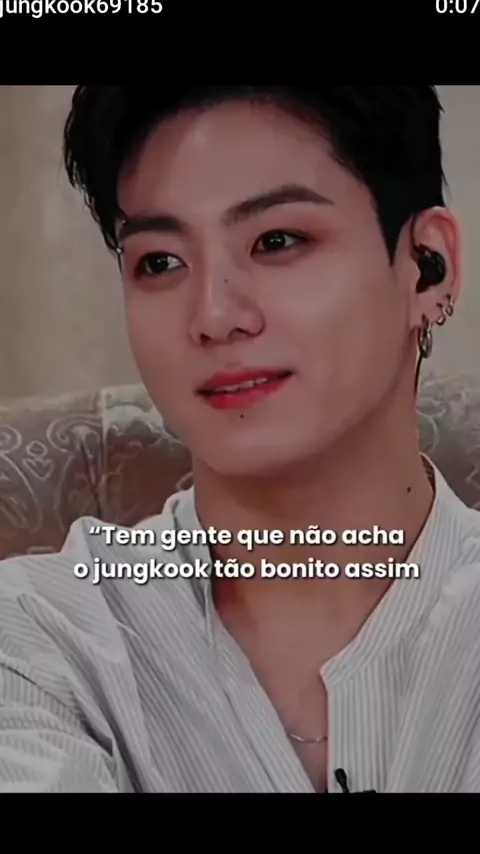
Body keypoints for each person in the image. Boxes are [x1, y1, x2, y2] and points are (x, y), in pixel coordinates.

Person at [0, 85, 479, 794]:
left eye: (277, 241)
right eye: (161, 261)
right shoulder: (34, 634)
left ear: (426, 266)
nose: (214, 316)